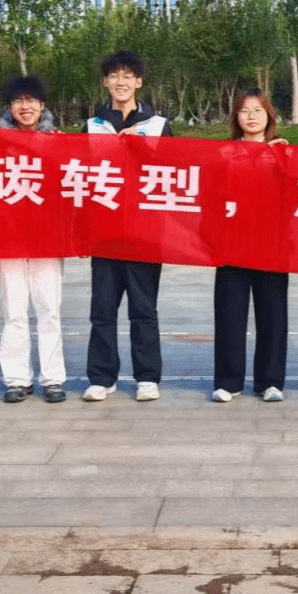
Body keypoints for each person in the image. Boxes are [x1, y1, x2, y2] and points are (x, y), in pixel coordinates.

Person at [82, 50, 172, 402]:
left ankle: (147, 376)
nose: (121, 82)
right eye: (114, 76)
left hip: (144, 233)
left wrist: (144, 150)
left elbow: (174, 173)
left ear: (139, 82)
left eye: (127, 76)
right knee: (102, 310)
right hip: (104, 232)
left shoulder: (158, 126)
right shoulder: (92, 126)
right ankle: (101, 377)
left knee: (143, 309)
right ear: (105, 82)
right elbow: (77, 176)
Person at [0, 75, 67, 404]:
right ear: (10, 107)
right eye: (18, 101)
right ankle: (17, 379)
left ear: (42, 105)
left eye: (31, 100)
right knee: (14, 310)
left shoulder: (58, 141)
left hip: (46, 237)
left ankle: (52, 378)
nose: (25, 107)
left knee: (48, 308)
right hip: (7, 236)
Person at [212, 90, 289, 403]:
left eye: (258, 110)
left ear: (269, 116)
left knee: (273, 315)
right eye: (245, 111)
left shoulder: (283, 153)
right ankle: (228, 381)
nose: (252, 116)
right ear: (236, 117)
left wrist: (287, 160)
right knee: (230, 315)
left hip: (272, 246)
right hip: (232, 245)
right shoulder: (224, 153)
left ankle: (270, 381)